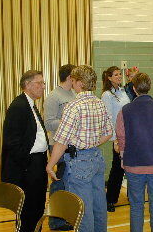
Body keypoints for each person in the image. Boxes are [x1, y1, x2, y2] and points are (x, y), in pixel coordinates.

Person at [46, 65, 113, 232]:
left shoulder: (73, 106)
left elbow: (61, 141)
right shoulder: (99, 103)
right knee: (98, 205)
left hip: (79, 162)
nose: (72, 83)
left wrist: (50, 164)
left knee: (82, 209)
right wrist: (91, 142)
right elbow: (108, 133)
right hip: (97, 159)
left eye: (74, 80)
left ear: (80, 83)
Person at [116, 72, 153, 232]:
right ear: (149, 87)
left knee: (136, 206)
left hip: (133, 165)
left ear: (134, 89)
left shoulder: (125, 110)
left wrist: (123, 156)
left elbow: (121, 138)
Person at [1, 70, 48, 232]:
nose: (43, 87)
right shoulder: (19, 106)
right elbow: (12, 142)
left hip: (37, 163)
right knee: (29, 210)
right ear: (27, 85)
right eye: (39, 83)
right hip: (28, 167)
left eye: (43, 83)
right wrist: (27, 165)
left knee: (37, 207)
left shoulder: (30, 104)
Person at [44, 64, 76, 231]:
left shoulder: (72, 93)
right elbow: (48, 123)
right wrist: (68, 119)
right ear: (70, 76)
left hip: (71, 146)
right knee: (58, 183)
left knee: (69, 184)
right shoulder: (53, 96)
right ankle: (55, 222)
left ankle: (67, 217)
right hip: (57, 146)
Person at [101, 66, 131, 212]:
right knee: (118, 169)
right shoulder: (107, 95)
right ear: (109, 78)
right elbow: (108, 118)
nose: (119, 76)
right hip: (118, 137)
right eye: (116, 74)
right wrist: (115, 139)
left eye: (120, 74)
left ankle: (132, 196)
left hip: (130, 134)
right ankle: (110, 199)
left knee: (131, 166)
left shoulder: (123, 91)